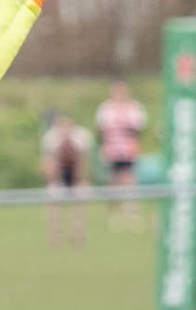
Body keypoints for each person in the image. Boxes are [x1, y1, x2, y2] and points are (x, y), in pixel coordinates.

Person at [94, 80, 148, 230]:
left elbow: (138, 131)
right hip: (111, 150)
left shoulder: (134, 108)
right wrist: (102, 148)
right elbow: (100, 130)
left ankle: (130, 212)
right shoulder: (106, 109)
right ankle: (114, 214)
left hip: (128, 150)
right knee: (113, 181)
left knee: (129, 180)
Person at [40, 111, 92, 249]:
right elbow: (49, 163)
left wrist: (81, 180)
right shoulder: (51, 139)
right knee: (53, 207)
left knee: (79, 207)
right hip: (58, 177)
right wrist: (52, 180)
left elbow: (82, 162)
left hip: (75, 176)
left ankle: (78, 236)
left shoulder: (81, 138)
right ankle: (54, 236)